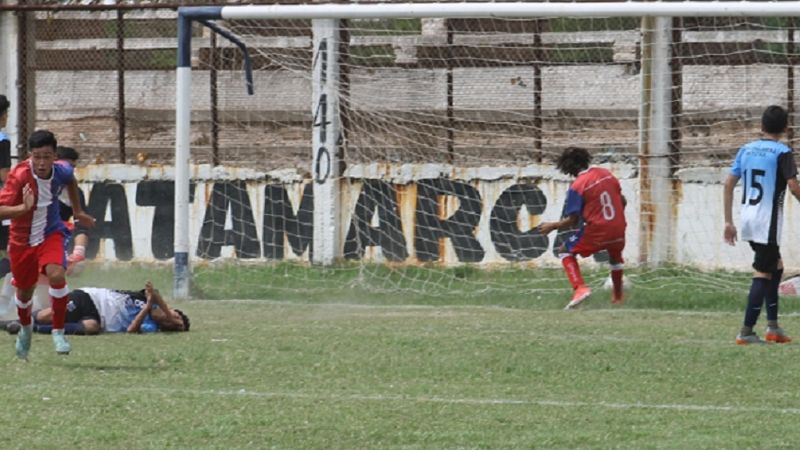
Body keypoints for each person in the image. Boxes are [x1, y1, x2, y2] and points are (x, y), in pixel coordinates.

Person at [0, 129, 96, 359]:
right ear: (30, 156)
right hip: (22, 241)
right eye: (37, 156)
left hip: (50, 233)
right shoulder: (20, 176)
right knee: (24, 293)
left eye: (46, 156)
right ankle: (25, 329)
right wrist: (23, 208)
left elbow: (71, 180)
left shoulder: (62, 170)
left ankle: (58, 332)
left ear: (54, 156)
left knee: (56, 274)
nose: (42, 162)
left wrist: (78, 211)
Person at [724, 105, 800, 345]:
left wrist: (728, 221)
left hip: (747, 217)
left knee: (776, 266)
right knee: (763, 272)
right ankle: (746, 331)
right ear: (786, 128)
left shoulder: (746, 149)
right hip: (767, 221)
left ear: (761, 126)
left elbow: (728, 184)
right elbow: (794, 186)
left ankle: (773, 327)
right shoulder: (782, 152)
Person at [537, 147, 627, 310]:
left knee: (565, 250)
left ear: (566, 168)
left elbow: (572, 221)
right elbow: (623, 201)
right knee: (615, 257)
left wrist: (552, 226)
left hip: (598, 230)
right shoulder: (606, 173)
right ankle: (618, 298)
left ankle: (580, 289)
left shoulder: (577, 186)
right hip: (619, 227)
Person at [3, 281, 189, 335]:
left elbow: (131, 330)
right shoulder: (149, 300)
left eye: (174, 324)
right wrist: (163, 311)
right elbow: (154, 292)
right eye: (176, 316)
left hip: (98, 318)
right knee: (46, 316)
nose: (172, 320)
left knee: (91, 327)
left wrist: (149, 309)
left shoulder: (151, 326)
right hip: (91, 298)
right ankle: (11, 322)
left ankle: (28, 328)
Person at [56, 146, 89, 275]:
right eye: (67, 166)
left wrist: (77, 254)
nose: (69, 171)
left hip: (52, 238)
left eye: (72, 168)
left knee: (58, 272)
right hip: (27, 233)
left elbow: (81, 225)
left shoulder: (74, 192)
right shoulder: (36, 182)